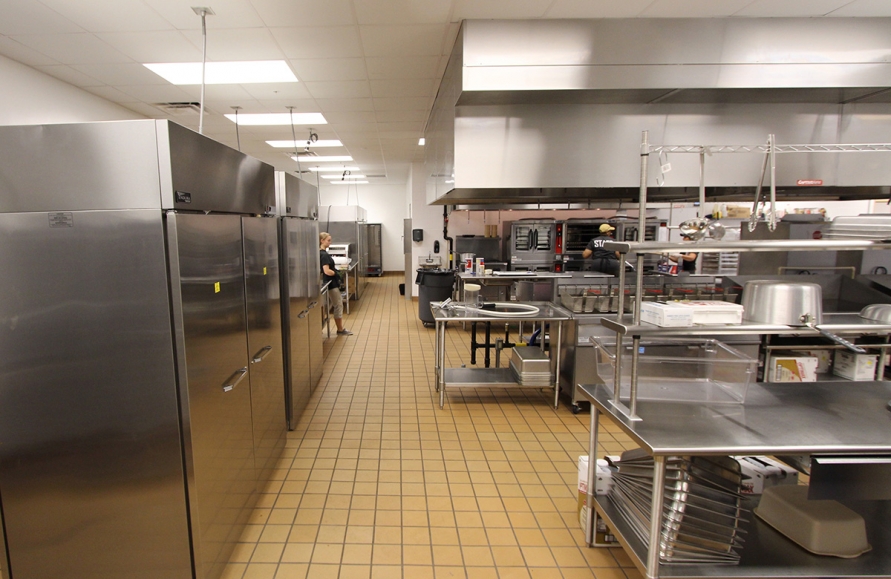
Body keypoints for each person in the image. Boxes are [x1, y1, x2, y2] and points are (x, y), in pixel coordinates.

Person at [319, 232, 353, 336]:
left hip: (325, 283)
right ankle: (340, 329)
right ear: (322, 241)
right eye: (328, 240)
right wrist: (335, 272)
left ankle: (319, 329)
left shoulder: (320, 253)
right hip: (330, 284)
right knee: (338, 304)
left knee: (324, 307)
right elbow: (326, 271)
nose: (330, 242)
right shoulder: (324, 255)